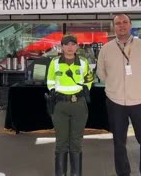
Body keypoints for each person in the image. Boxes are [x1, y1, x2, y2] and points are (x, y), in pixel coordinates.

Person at [97, 14, 141, 176]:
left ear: (130, 25)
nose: (121, 26)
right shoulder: (106, 48)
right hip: (115, 102)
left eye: (124, 22)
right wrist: (115, 85)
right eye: (117, 23)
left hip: (139, 101)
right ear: (113, 27)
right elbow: (101, 73)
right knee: (119, 142)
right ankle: (123, 173)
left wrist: (137, 84)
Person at [46, 34, 93, 176]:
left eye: (73, 44)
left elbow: (89, 80)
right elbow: (50, 81)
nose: (70, 47)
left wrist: (81, 93)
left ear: (77, 46)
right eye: (67, 44)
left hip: (78, 105)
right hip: (60, 106)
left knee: (76, 142)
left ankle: (76, 174)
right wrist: (54, 93)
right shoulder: (54, 62)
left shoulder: (83, 62)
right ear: (62, 47)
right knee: (61, 141)